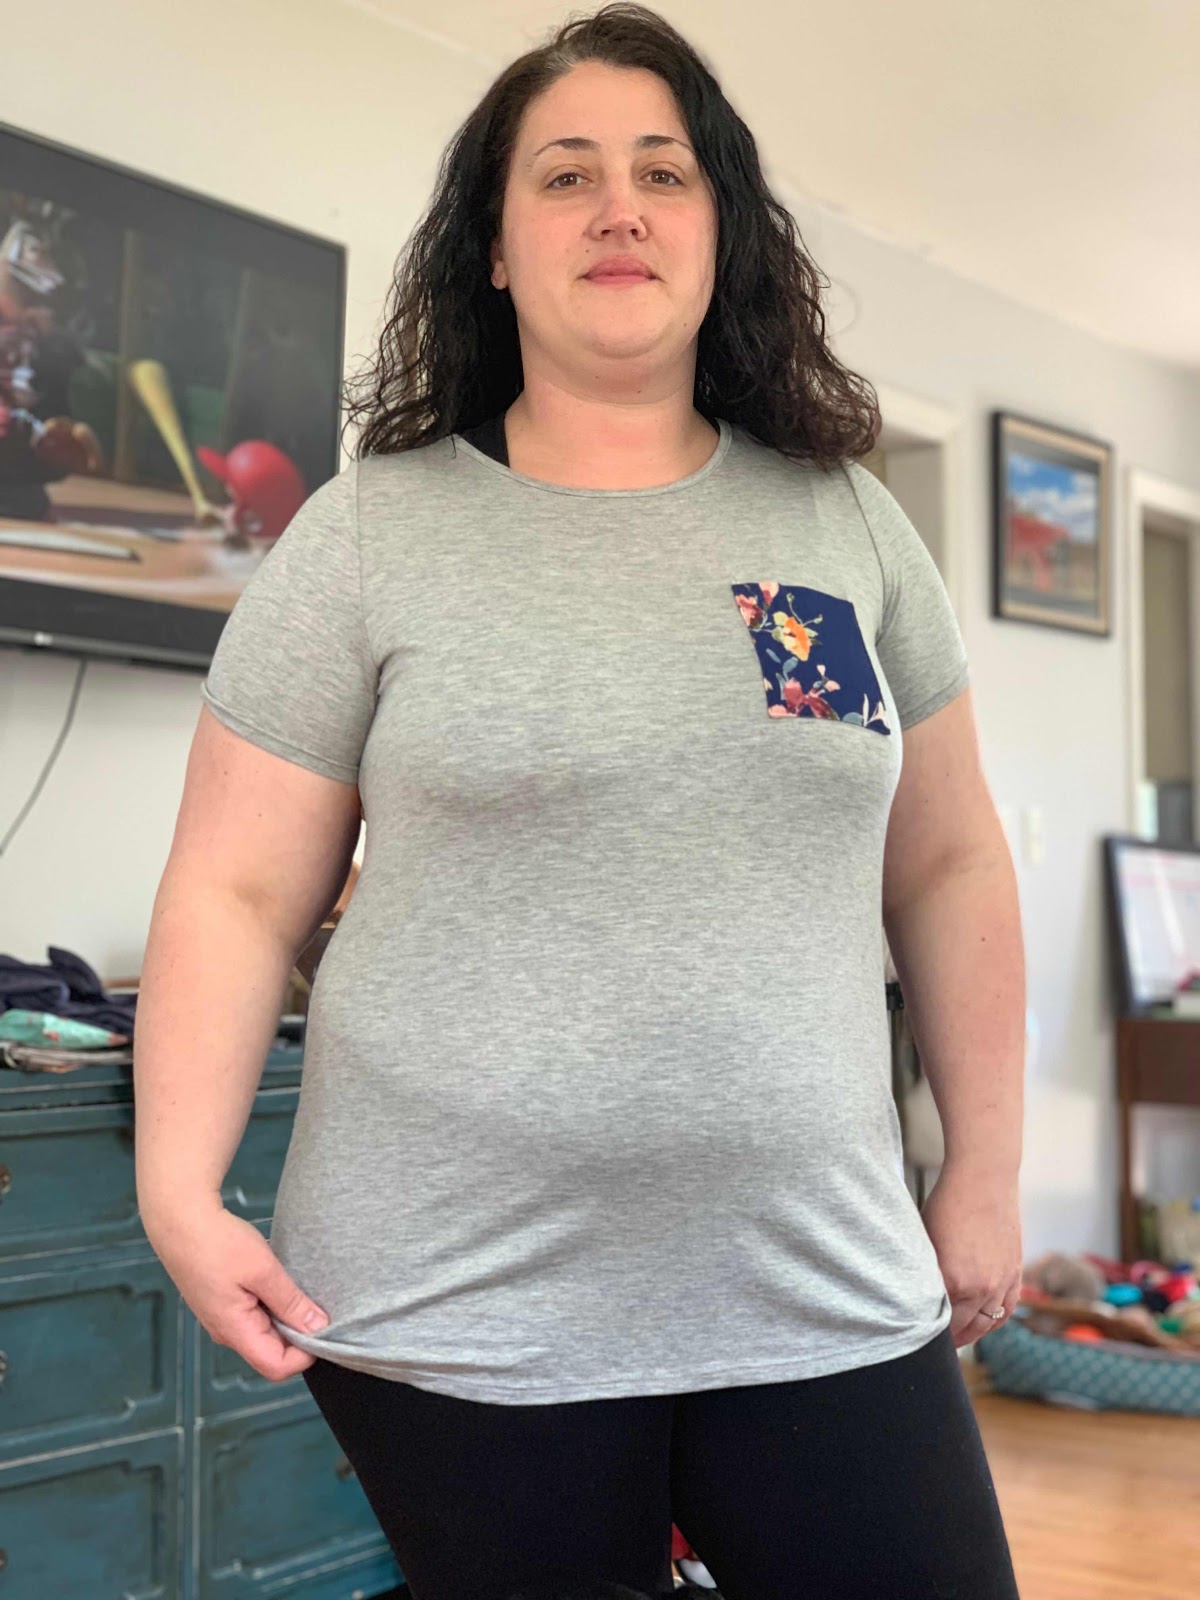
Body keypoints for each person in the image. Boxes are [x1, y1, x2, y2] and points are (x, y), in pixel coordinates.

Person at [134, 5, 1026, 1597]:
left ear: (721, 232)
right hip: (460, 1309)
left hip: (823, 1281)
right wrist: (176, 1187)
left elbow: (949, 863)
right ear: (492, 248)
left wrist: (986, 1167)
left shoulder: (846, 524)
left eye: (663, 172)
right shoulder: (369, 534)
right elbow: (236, 892)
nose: (620, 208)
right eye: (565, 175)